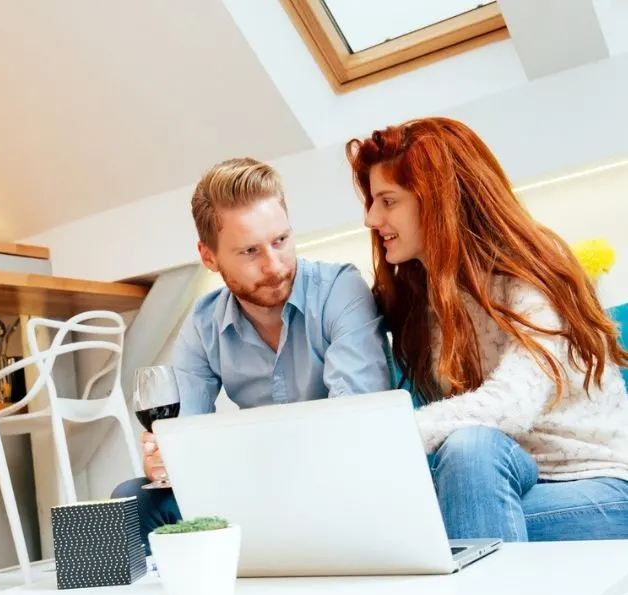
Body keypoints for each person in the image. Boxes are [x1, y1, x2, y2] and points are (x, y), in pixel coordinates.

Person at [345, 117, 628, 542]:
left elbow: (511, 403)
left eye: (387, 201)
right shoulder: (421, 290)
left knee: (432, 516)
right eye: (372, 200)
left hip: (598, 481)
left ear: (439, 199)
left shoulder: (532, 267)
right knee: (469, 449)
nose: (371, 218)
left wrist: (386, 439)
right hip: (500, 474)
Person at [112, 156, 393, 546]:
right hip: (254, 488)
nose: (274, 265)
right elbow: (184, 436)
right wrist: (167, 456)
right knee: (132, 498)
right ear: (209, 257)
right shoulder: (204, 321)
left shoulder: (340, 291)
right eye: (249, 252)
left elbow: (353, 427)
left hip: (339, 483)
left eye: (280, 241)